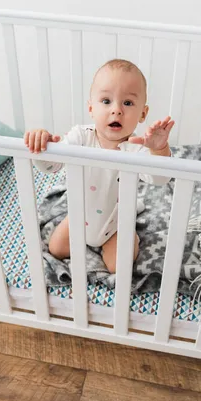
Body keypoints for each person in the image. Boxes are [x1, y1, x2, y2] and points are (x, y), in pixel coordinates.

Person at [24, 59, 174, 273]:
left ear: (143, 113)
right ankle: (74, 225)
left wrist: (159, 150)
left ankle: (131, 235)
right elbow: (51, 166)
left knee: (118, 267)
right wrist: (41, 146)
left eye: (128, 103)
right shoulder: (79, 137)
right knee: (56, 249)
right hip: (78, 216)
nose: (116, 110)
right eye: (106, 101)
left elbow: (160, 178)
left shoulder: (136, 149)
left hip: (115, 223)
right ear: (91, 108)